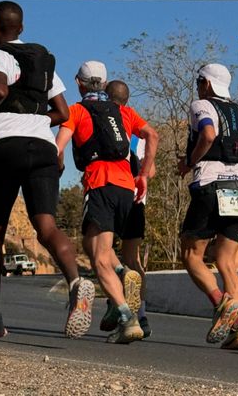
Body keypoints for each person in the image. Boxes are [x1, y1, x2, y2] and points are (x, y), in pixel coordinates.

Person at [0, 0, 94, 339]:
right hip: (44, 147)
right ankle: (76, 282)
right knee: (46, 227)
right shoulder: (43, 61)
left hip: (7, 146)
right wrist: (34, 119)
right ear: (22, 28)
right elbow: (63, 112)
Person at [56, 62, 158, 344]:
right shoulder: (124, 111)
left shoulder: (76, 111)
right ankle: (123, 275)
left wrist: (57, 169)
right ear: (104, 84)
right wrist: (143, 174)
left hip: (99, 183)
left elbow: (58, 147)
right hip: (127, 188)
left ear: (78, 83)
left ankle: (127, 318)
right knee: (95, 245)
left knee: (99, 257)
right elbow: (153, 135)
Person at [177, 64, 238, 350]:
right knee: (227, 262)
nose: (197, 86)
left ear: (208, 84)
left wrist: (189, 162)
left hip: (210, 185)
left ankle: (222, 304)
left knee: (191, 254)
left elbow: (208, 135)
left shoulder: (201, 105)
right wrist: (235, 163)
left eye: (199, 81)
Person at [101, 79, 155, 339]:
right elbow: (151, 170)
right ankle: (142, 316)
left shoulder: (104, 122)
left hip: (109, 193)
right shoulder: (138, 131)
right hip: (136, 200)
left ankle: (119, 308)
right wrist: (140, 176)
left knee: (104, 252)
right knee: (133, 260)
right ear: (127, 101)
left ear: (105, 97)